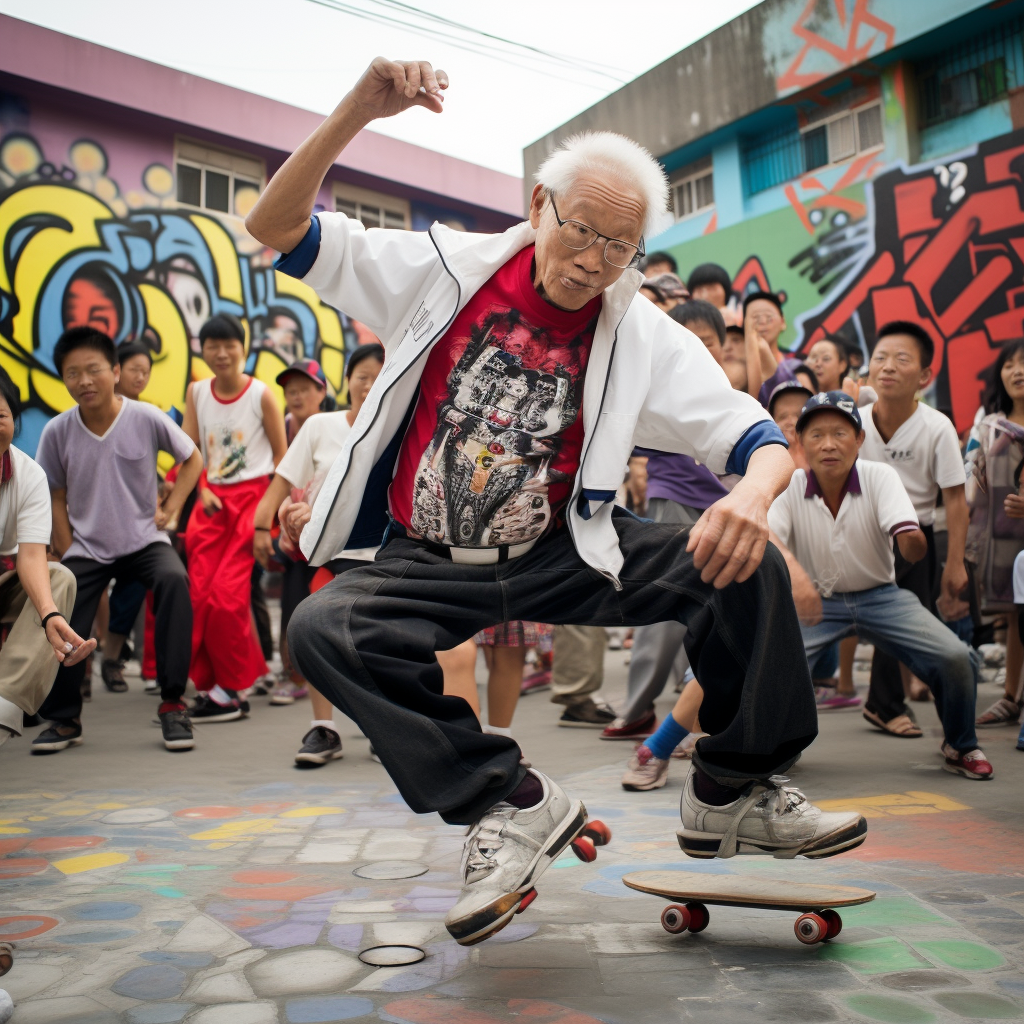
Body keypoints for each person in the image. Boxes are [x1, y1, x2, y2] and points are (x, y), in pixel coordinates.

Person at [245, 57, 867, 946]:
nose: (592, 262)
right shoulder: (443, 269)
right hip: (428, 559)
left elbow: (752, 435)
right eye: (580, 233)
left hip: (568, 549)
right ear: (540, 204)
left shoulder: (640, 331)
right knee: (322, 629)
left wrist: (757, 497)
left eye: (620, 248)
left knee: (744, 565)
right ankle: (513, 802)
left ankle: (731, 791)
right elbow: (275, 223)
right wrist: (359, 111)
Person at [768, 392, 990, 779]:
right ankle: (775, 747)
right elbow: (771, 538)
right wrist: (798, 578)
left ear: (859, 441)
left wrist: (912, 541)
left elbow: (908, 537)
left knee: (956, 657)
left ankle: (961, 744)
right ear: (801, 443)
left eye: (840, 433)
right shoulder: (790, 485)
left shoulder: (880, 476)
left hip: (880, 597)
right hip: (818, 602)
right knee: (766, 665)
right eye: (817, 434)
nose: (829, 444)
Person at [33, 328, 202, 753]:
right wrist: (68, 545)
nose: (84, 381)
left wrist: (174, 508)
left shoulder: (144, 417)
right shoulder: (57, 431)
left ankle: (171, 702)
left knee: (174, 581)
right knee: (59, 599)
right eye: (72, 373)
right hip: (88, 547)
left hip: (145, 540)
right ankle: (64, 717)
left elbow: (192, 458)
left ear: (113, 371)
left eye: (93, 370)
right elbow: (53, 493)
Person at [604, 300, 730, 742]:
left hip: (721, 507)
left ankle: (694, 711)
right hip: (671, 501)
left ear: (724, 345)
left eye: (709, 343)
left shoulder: (729, 391)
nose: (700, 351)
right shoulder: (658, 385)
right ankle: (638, 707)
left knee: (710, 610)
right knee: (665, 602)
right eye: (691, 342)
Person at [859, 321, 969, 738]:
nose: (887, 367)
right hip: (860, 533)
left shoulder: (937, 426)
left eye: (901, 359)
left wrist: (954, 564)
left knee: (911, 622)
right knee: (904, 622)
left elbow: (955, 501)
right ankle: (884, 703)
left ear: (925, 376)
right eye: (880, 358)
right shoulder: (853, 421)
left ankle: (887, 704)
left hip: (914, 541)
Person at [182, 314, 288, 722]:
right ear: (203, 350)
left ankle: (233, 691)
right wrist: (202, 488)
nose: (222, 353)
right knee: (199, 597)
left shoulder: (261, 395)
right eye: (213, 346)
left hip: (252, 502)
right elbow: (191, 452)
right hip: (211, 504)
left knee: (227, 598)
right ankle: (212, 688)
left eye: (230, 345)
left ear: (243, 349)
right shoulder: (196, 393)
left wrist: (271, 516)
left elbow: (282, 460)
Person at [0, 367, 96, 748]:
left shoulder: (29, 475)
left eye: (1, 417)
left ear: (14, 420)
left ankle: (4, 706)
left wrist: (49, 614)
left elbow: (31, 557)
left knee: (60, 579)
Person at [965, 339, 1024, 728]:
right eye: (1009, 364)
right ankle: (1010, 697)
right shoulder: (989, 426)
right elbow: (971, 485)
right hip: (1004, 535)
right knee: (1018, 615)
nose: (1016, 370)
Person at [100, 341, 157, 695]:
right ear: (116, 370)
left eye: (146, 372)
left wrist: (166, 497)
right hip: (98, 523)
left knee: (131, 591)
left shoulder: (147, 414)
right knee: (82, 593)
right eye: (134, 369)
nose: (141, 377)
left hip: (138, 524)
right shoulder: (91, 413)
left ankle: (111, 659)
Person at [743, 291, 787, 363]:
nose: (762, 321)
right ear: (744, 324)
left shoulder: (796, 369)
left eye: (768, 316)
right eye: (755, 317)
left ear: (782, 322)